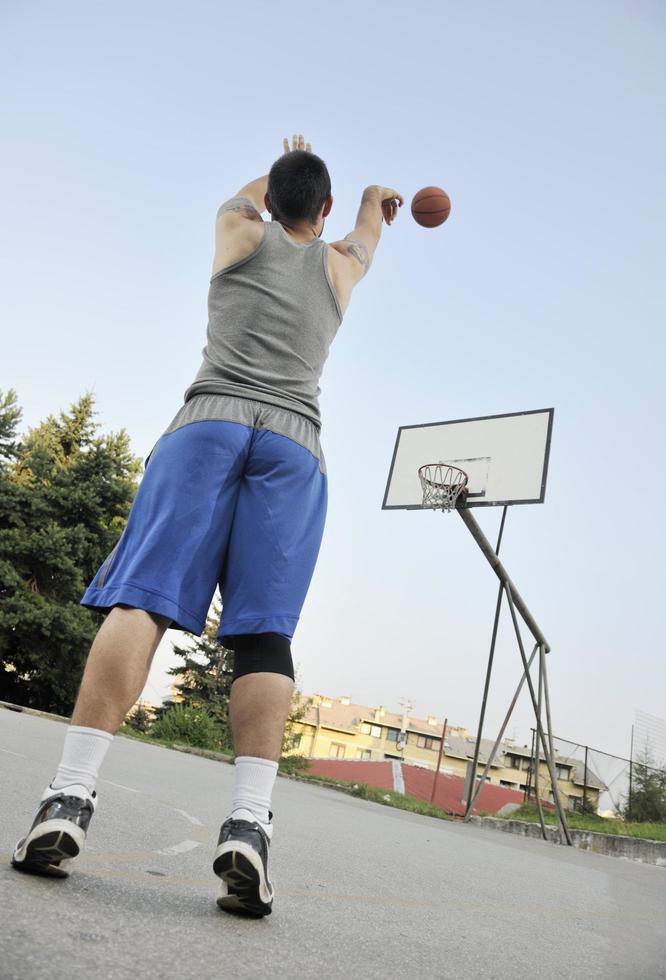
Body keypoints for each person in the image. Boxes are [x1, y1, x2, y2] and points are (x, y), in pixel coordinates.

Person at [11, 134, 403, 917]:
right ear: (320, 212)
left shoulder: (239, 229)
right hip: (294, 449)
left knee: (144, 603)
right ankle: (250, 826)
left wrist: (285, 163)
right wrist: (372, 203)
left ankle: (67, 801)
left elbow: (250, 193)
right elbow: (366, 232)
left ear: (274, 198)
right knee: (264, 636)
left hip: (207, 425)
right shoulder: (338, 267)